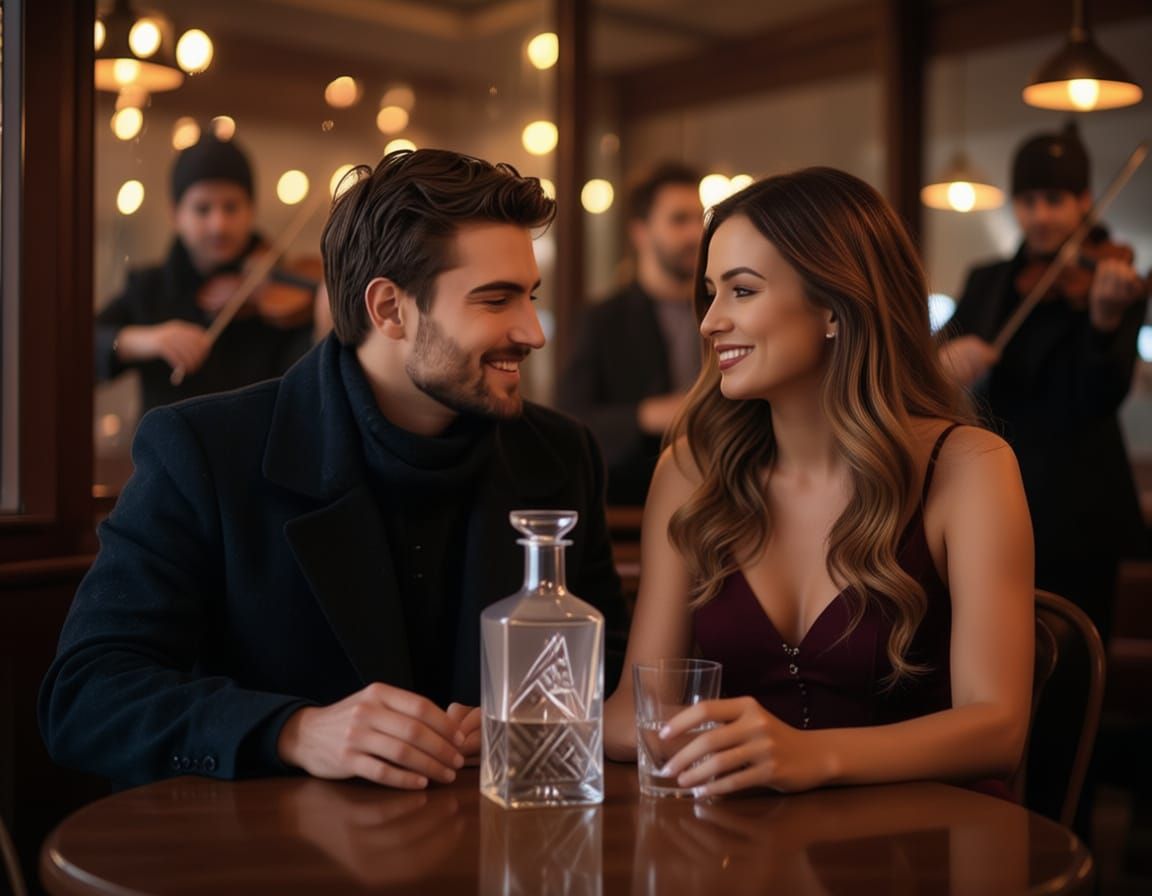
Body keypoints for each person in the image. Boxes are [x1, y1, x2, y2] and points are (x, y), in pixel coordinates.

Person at [42, 148, 626, 789]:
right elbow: (86, 695)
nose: (532, 331)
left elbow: (610, 672)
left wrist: (534, 714)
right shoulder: (203, 450)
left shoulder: (560, 454)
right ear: (388, 309)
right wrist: (292, 730)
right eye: (496, 300)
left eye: (530, 296)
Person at [603, 168, 1035, 797]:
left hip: (924, 854)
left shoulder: (967, 467)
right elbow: (637, 715)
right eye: (710, 293)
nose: (709, 322)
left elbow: (998, 729)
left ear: (835, 305)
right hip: (740, 859)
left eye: (742, 291)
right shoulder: (690, 473)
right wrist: (519, 727)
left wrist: (810, 756)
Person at [938, 123, 1148, 644]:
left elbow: (1099, 399)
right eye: (1027, 202)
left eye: (1054, 200)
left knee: (1077, 653)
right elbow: (927, 368)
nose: (1040, 216)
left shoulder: (1110, 280)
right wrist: (946, 360)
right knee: (997, 639)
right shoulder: (987, 280)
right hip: (995, 491)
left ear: (1083, 201)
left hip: (1081, 504)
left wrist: (1101, 325)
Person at [95, 134, 318, 414]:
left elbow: (306, 385)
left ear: (251, 210)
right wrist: (148, 340)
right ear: (175, 214)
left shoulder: (280, 292)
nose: (219, 225)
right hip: (169, 454)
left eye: (231, 207)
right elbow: (81, 347)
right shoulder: (149, 288)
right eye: (202, 209)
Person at [557, 162, 704, 505]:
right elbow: (571, 419)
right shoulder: (603, 320)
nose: (695, 234)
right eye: (679, 219)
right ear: (640, 232)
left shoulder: (720, 309)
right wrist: (649, 414)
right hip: (634, 503)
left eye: (700, 219)